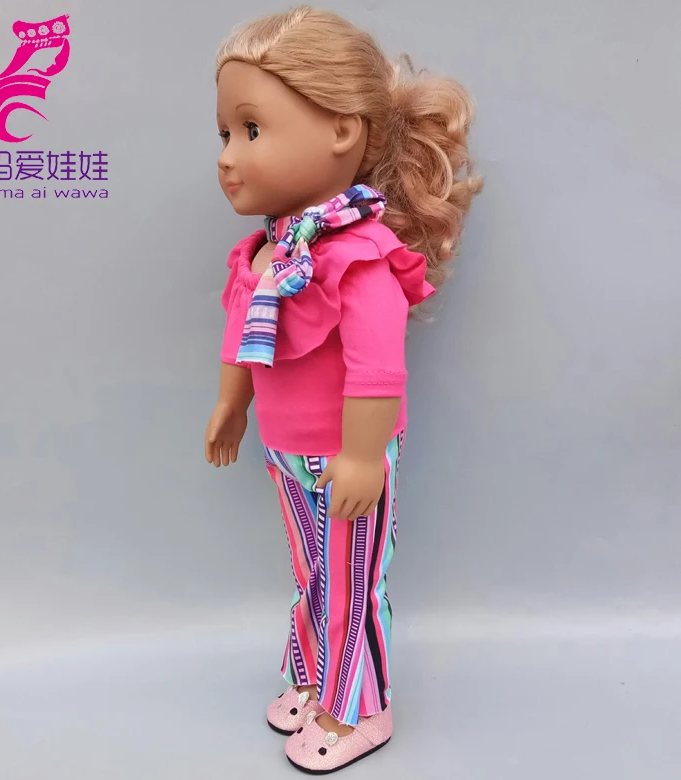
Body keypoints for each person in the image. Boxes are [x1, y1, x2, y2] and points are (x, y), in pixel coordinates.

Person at [205, 5, 482, 773]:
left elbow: (377, 367)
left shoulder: (361, 255)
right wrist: (232, 404)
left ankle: (359, 706)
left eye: (250, 130)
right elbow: (242, 334)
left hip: (346, 454)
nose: (228, 157)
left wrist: (363, 456)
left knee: (355, 580)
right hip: (284, 449)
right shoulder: (266, 253)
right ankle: (310, 673)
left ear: (341, 130)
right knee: (311, 572)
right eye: (224, 134)